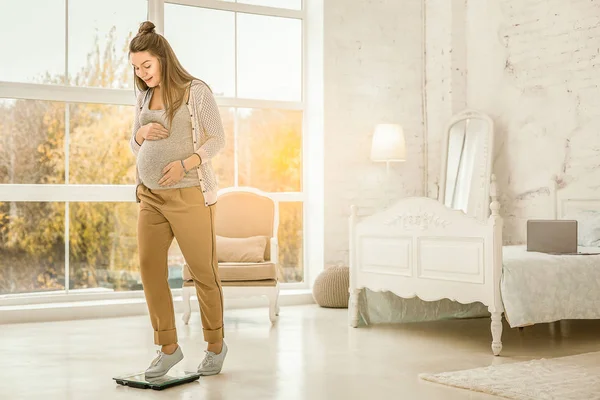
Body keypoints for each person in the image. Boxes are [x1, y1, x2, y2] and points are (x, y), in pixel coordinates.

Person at [128, 20, 227, 378]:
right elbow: (133, 143)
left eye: (147, 66)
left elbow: (216, 139)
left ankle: (215, 345)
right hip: (150, 196)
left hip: (189, 194)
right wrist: (140, 132)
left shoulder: (195, 91)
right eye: (137, 68)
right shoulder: (142, 96)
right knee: (149, 267)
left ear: (163, 59)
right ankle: (168, 347)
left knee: (203, 272)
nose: (142, 73)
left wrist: (185, 162)